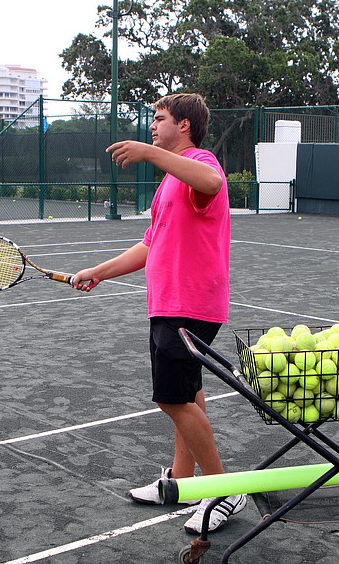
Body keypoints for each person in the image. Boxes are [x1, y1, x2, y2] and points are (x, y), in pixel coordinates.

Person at [70, 93, 245, 534]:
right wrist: (101, 271)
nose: (152, 125)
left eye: (160, 118)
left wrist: (149, 154)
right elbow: (151, 243)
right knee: (188, 393)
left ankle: (225, 489)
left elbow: (211, 183)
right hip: (168, 302)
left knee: (172, 397)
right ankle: (182, 480)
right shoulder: (168, 182)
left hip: (192, 302)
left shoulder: (199, 162)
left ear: (183, 125)